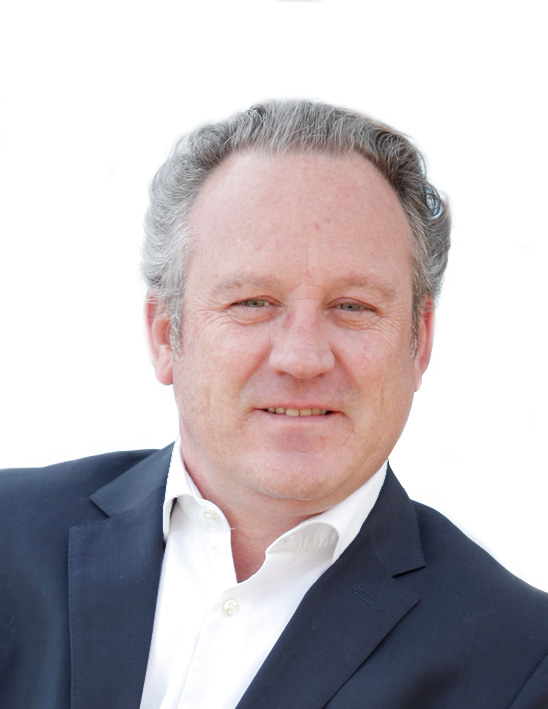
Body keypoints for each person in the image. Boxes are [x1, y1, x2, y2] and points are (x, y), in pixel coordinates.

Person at [1, 100, 547, 709]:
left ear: (419, 341)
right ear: (164, 334)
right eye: (253, 302)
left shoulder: (523, 662)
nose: (302, 357)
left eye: (354, 306)